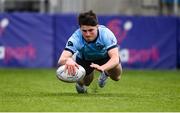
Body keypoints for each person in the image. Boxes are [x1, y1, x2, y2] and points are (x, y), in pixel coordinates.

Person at [57, 10, 122, 93]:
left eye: (91, 30)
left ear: (97, 27)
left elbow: (115, 58)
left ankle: (106, 74)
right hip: (85, 59)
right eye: (84, 31)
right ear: (80, 28)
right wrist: (68, 60)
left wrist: (102, 68)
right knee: (86, 82)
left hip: (105, 57)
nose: (87, 34)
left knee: (116, 77)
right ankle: (80, 84)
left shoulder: (106, 34)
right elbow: (61, 59)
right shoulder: (75, 38)